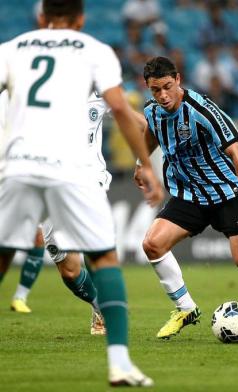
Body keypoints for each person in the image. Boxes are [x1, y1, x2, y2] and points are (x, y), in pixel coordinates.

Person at [0, 0, 163, 387]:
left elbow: (124, 113)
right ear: (81, 19)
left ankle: (102, 320)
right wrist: (147, 166)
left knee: (28, 258)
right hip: (64, 169)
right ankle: (120, 361)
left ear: (41, 17)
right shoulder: (95, 51)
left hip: (30, 168)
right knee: (102, 258)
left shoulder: (10, 50)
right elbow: (123, 112)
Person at [135, 56, 238, 342]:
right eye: (156, 90)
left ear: (178, 79)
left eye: (168, 87)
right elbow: (151, 133)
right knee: (152, 244)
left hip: (226, 193)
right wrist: (141, 164)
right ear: (148, 88)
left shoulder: (201, 110)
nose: (163, 95)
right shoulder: (153, 111)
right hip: (189, 195)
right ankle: (185, 308)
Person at [7, 91, 112, 335]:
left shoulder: (99, 91)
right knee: (69, 270)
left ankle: (108, 311)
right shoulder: (36, 91)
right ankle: (99, 307)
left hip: (89, 181)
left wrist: (143, 163)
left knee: (93, 245)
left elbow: (130, 116)